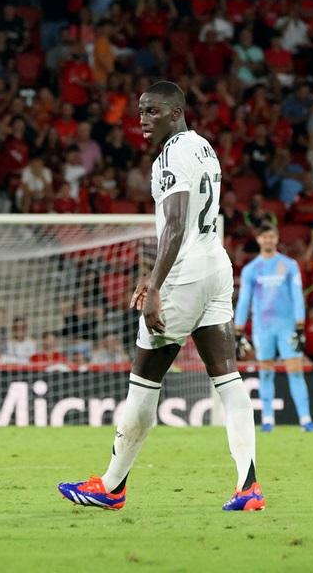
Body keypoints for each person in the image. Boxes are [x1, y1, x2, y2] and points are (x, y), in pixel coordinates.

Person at [58, 82, 263, 512]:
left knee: (144, 382)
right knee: (228, 379)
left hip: (185, 274)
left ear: (176, 112)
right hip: (215, 265)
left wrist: (154, 287)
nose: (143, 120)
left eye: (152, 111)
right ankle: (249, 487)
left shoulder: (170, 156)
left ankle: (111, 487)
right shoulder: (204, 147)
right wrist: (154, 277)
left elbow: (175, 223)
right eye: (140, 111)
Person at [235, 222, 313, 432]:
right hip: (263, 328)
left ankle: (305, 419)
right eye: (265, 237)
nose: (268, 240)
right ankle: (268, 420)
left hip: (287, 326)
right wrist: (238, 329)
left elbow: (298, 296)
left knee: (296, 371)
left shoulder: (289, 265)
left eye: (271, 237)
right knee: (265, 372)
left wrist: (300, 324)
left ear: (277, 238)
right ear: (258, 239)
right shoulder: (251, 269)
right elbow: (244, 301)